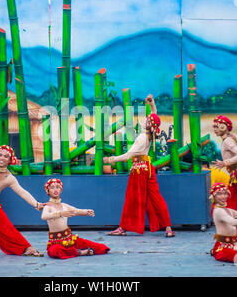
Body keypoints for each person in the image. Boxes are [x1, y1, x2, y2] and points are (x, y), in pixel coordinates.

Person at [103, 94, 174, 237]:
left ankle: (123, 228)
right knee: (155, 197)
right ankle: (168, 228)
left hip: (139, 170)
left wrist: (111, 159)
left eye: (147, 120)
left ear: (149, 125)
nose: (145, 119)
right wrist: (152, 103)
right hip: (148, 168)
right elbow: (154, 116)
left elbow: (128, 156)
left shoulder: (142, 137)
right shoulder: (149, 134)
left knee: (132, 199)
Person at [41, 178, 110, 259]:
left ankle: (73, 250)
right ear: (48, 191)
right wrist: (60, 213)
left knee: (101, 247)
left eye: (57, 187)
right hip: (55, 242)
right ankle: (80, 252)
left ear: (61, 190)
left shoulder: (64, 205)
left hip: (70, 238)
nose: (55, 189)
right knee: (55, 251)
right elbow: (44, 216)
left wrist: (86, 211)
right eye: (52, 187)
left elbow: (76, 211)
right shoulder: (48, 206)